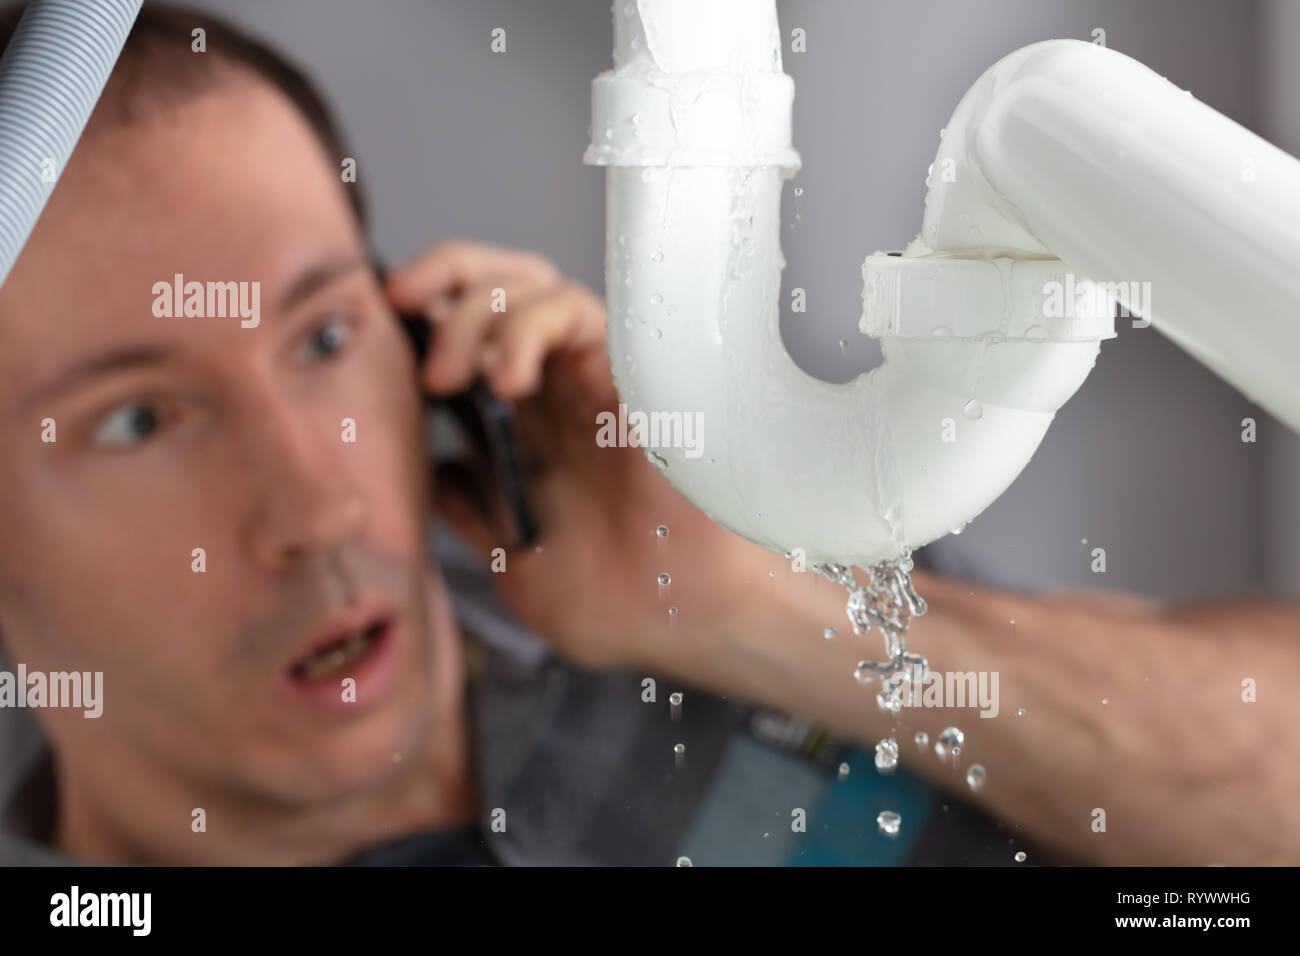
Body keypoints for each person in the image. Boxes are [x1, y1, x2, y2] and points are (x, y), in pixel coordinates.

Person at [1, 3, 1296, 867]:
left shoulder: (706, 543)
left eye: (325, 337)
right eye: (137, 418)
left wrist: (763, 613)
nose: (317, 509)